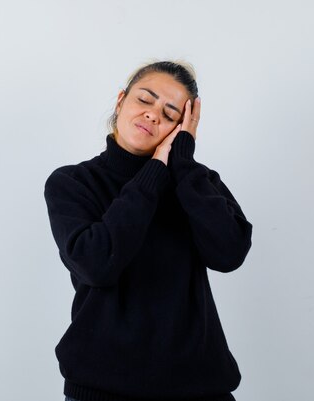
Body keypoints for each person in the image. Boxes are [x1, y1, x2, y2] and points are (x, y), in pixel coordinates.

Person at [44, 60, 253, 401]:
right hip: (101, 388)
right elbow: (97, 264)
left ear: (182, 127)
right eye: (145, 99)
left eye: (170, 113)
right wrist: (154, 170)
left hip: (199, 388)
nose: (153, 114)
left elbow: (229, 253)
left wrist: (182, 164)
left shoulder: (196, 183)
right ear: (120, 101)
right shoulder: (72, 183)